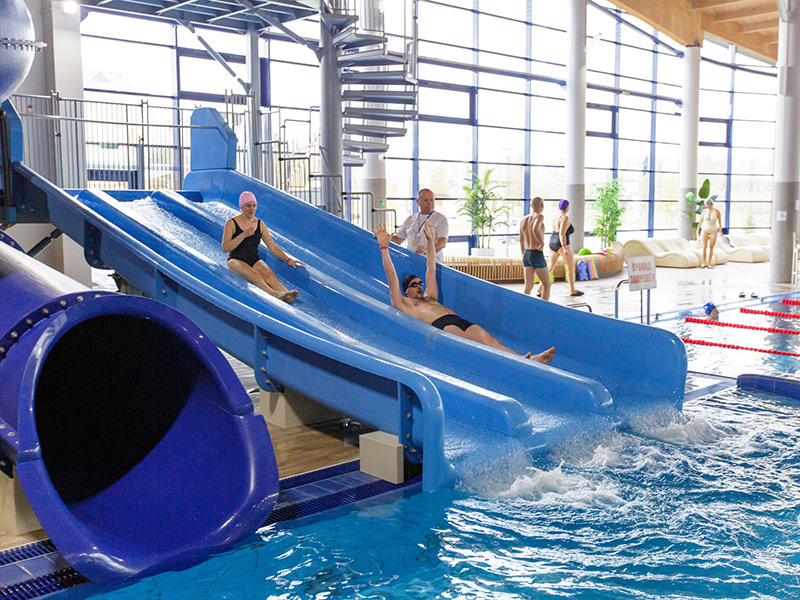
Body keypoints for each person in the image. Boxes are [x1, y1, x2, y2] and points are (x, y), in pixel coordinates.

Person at [375, 222, 555, 364]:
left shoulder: (430, 296)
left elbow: (431, 268)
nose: (419, 286)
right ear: (406, 290)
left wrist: (430, 241)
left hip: (457, 319)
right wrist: (384, 248)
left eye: (420, 283)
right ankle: (511, 366)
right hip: (442, 324)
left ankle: (527, 360)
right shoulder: (403, 304)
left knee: (490, 340)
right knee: (474, 345)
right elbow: (391, 277)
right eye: (414, 285)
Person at [221, 191, 303, 303]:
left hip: (254, 260)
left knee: (270, 277)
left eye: (254, 205)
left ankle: (287, 294)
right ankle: (275, 294)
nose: (252, 209)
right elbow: (225, 248)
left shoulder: (260, 224)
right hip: (235, 260)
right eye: (248, 206)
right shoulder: (231, 223)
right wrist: (243, 235)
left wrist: (288, 259)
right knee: (256, 276)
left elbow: (273, 247)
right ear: (242, 207)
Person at [391, 188, 449, 263]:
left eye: (432, 200)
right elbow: (397, 239)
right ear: (418, 201)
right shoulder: (410, 219)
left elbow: (442, 243)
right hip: (412, 262)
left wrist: (427, 250)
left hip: (432, 263)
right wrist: (383, 237)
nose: (429, 203)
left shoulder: (440, 219)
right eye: (425, 200)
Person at [540, 199, 583, 297]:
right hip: (561, 243)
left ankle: (540, 289)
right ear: (567, 207)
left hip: (552, 241)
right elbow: (562, 233)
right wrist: (564, 247)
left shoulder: (555, 217)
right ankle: (572, 290)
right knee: (570, 267)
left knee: (550, 267)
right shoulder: (565, 218)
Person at [519, 196, 551, 300]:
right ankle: (544, 309)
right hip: (536, 253)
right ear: (542, 205)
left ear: (531, 206)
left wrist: (524, 255)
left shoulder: (523, 219)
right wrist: (541, 243)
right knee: (547, 285)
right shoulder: (539, 217)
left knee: (528, 286)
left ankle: (523, 306)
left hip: (526, 254)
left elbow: (521, 240)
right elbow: (535, 228)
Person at [696, 199, 722, 269]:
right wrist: (698, 229)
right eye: (706, 204)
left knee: (711, 247)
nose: (706, 205)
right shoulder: (704, 211)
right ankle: (704, 262)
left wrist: (720, 231)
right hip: (705, 229)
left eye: (707, 204)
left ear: (710, 204)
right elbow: (700, 221)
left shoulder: (717, 211)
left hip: (713, 230)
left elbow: (719, 222)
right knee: (704, 246)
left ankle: (709, 263)